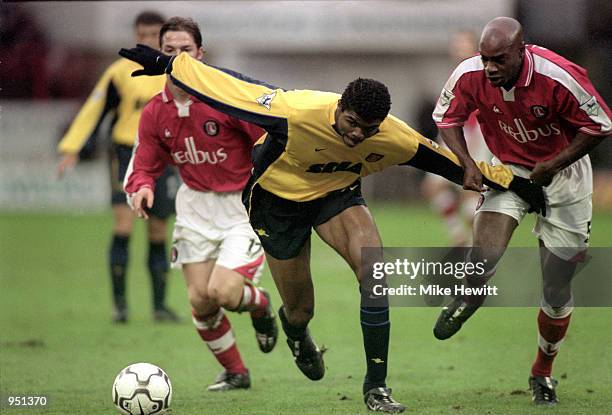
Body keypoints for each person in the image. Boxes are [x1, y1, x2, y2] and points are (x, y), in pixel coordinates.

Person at [118, 43, 545, 413]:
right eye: (352, 123)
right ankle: (296, 331)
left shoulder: (392, 137)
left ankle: (375, 387)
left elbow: (456, 166)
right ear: (339, 108)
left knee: (375, 275)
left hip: (336, 197)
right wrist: (170, 64)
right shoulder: (295, 111)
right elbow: (233, 88)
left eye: (368, 129)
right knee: (301, 308)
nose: (358, 135)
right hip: (277, 205)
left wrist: (518, 186)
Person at [431, 17, 611, 405]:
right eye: (485, 59)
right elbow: (446, 119)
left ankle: (541, 372)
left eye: (499, 60)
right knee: (484, 256)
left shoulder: (560, 76)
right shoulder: (469, 74)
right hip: (508, 170)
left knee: (556, 289)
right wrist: (467, 163)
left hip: (564, 178)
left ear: (521, 50)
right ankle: (471, 295)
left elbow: (600, 124)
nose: (490, 68)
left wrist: (556, 162)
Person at [123, 16, 278, 392]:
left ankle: (261, 306)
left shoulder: (226, 98)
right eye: (169, 51)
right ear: (160, 55)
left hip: (241, 206)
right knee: (200, 300)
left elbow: (269, 142)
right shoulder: (154, 111)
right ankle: (236, 372)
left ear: (200, 54)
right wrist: (142, 187)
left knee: (223, 292)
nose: (177, 58)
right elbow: (143, 163)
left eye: (185, 50)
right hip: (194, 207)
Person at [57, 11, 180, 323]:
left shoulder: (177, 71)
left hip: (165, 157)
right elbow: (95, 109)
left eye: (155, 35)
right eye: (143, 34)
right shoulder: (118, 72)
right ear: (136, 35)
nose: (149, 40)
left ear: (164, 37)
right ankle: (120, 306)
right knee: (123, 225)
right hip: (126, 154)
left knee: (157, 229)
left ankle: (159, 307)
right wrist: (72, 147)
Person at [420, 30, 492, 246]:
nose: (458, 48)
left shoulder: (480, 70)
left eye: (463, 44)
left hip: (473, 132)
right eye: (456, 44)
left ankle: (472, 246)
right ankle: (460, 237)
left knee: (470, 190)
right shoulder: (460, 71)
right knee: (434, 187)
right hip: (457, 131)